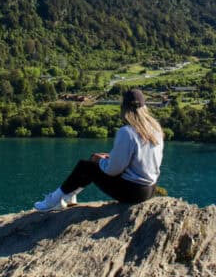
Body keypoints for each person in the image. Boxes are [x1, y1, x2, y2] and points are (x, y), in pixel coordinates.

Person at [34, 88, 164, 211]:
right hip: (150, 189)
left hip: (133, 192)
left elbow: (113, 170)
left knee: (86, 167)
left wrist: (99, 161)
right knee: (94, 162)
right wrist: (108, 157)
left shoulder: (127, 132)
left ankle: (53, 201)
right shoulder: (156, 129)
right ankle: (68, 197)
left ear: (124, 109)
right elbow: (140, 159)